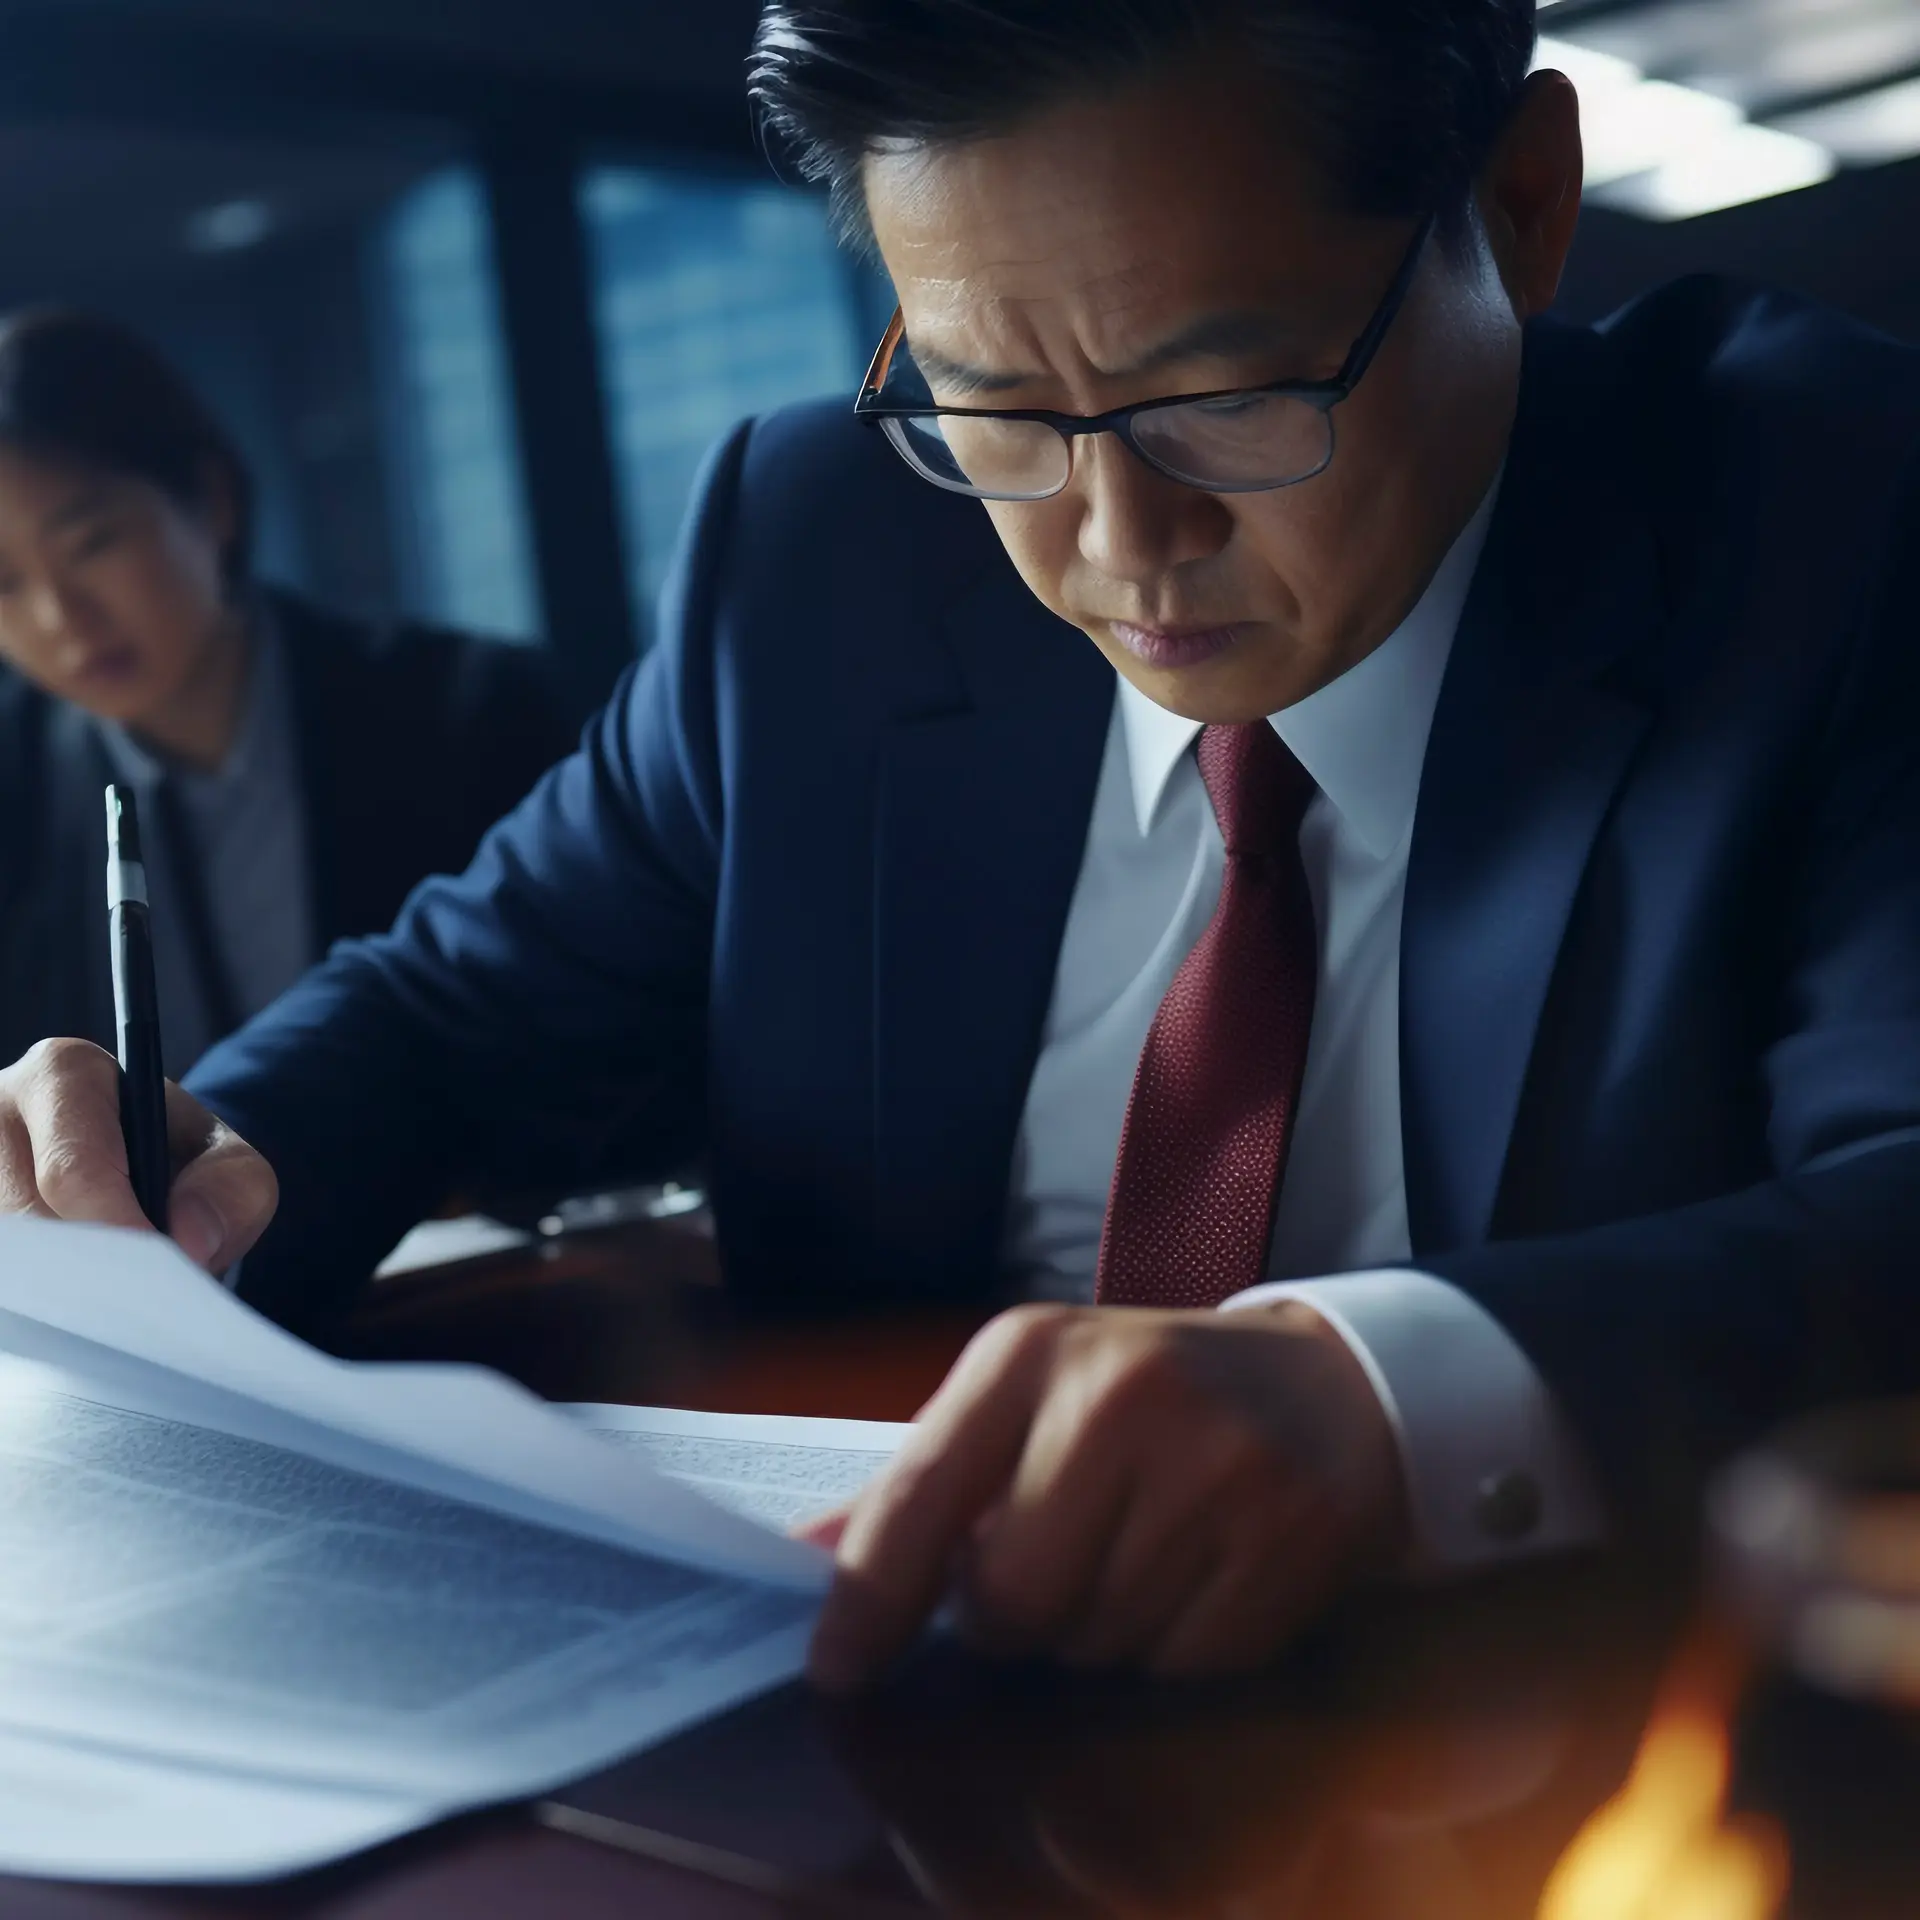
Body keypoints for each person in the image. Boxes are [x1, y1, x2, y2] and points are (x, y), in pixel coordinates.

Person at [4, 0, 1920, 1690]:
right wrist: (196, 1164)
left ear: (1517, 205)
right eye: (996, 404)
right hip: (866, 1696)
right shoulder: (819, 551)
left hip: (1606, 1721)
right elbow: (453, 1014)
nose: (1119, 542)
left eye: (1233, 397)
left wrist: (1380, 1395)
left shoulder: (1824, 521)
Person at [0, 309, 579, 1078]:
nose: (61, 618)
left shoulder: (470, 712)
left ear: (213, 500)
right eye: (3, 584)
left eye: (93, 544)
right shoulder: (13, 786)